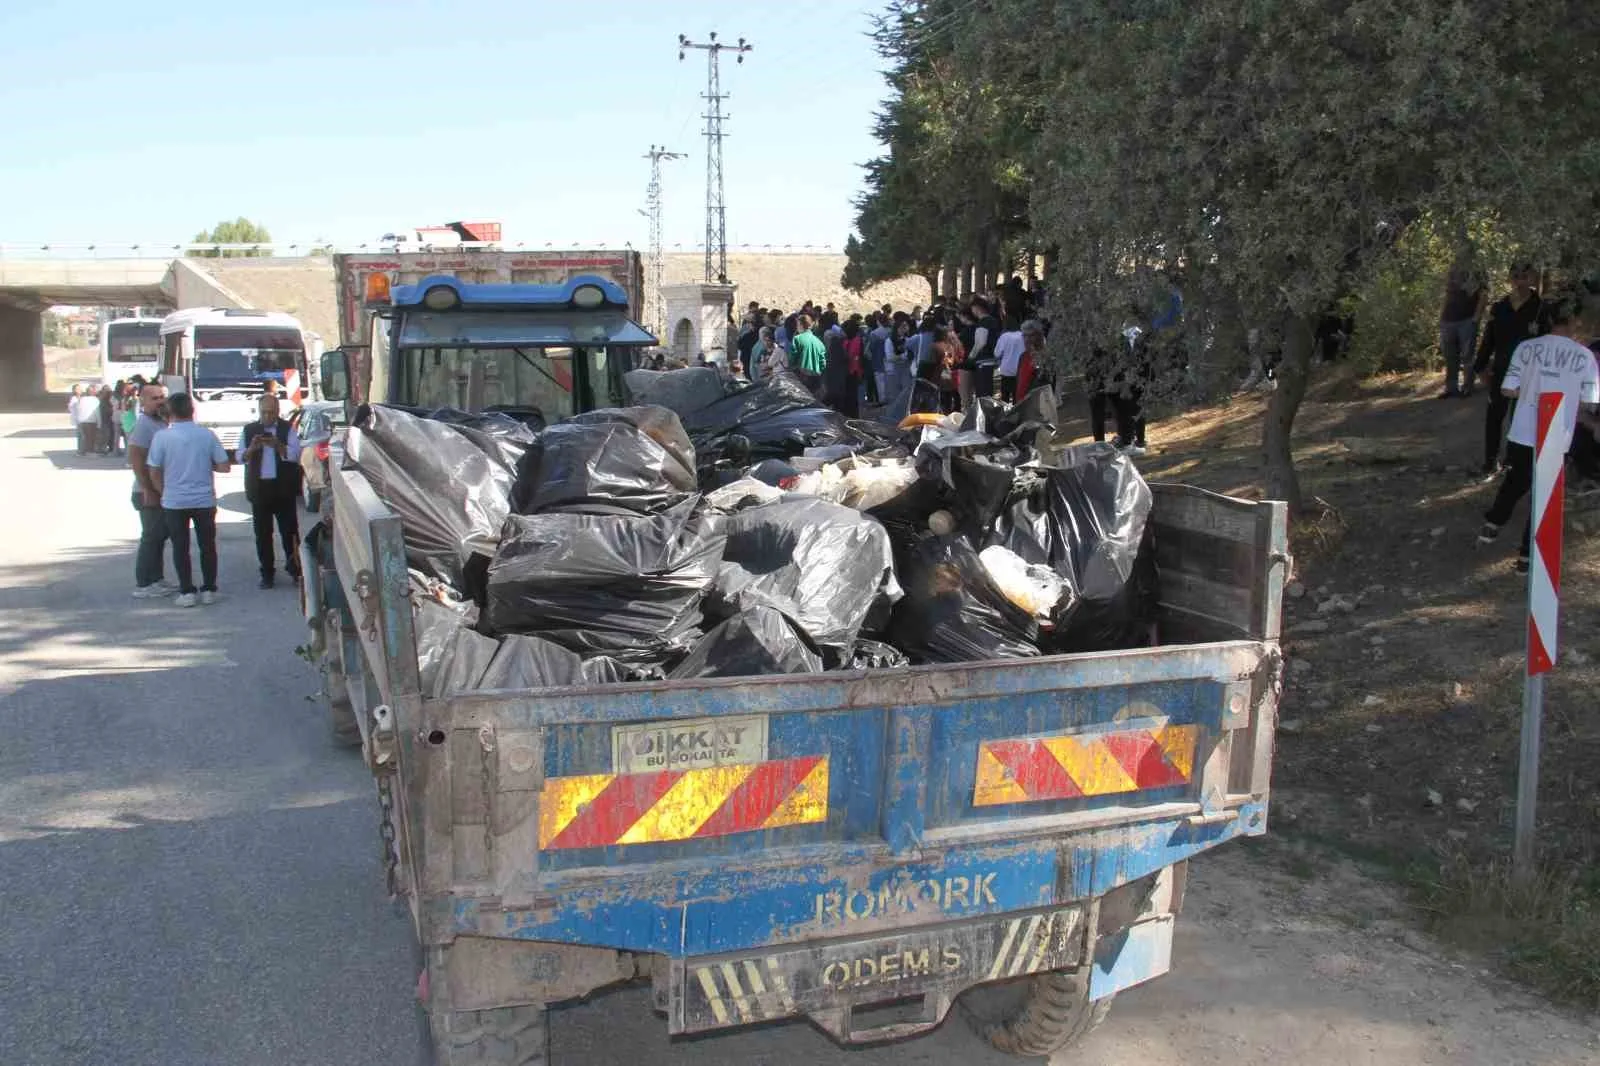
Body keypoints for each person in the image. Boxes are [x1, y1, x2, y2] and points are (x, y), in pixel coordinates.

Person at [1477, 287, 1600, 572]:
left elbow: (1508, 389)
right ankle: (1526, 558)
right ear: (1572, 323)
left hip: (1523, 429)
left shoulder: (1526, 348)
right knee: (1544, 495)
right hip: (1559, 434)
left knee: (1517, 480)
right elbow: (1592, 401)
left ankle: (1492, 523)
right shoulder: (1584, 357)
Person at [146, 392, 231, 607]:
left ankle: (187, 591)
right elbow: (224, 466)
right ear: (192, 411)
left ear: (170, 412)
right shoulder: (207, 435)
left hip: (174, 500)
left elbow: (154, 470)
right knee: (207, 546)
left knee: (180, 546)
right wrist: (205, 464)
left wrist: (163, 491)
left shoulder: (162, 437)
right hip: (203, 499)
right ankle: (210, 588)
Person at [1473, 262, 1545, 477]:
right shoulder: (1500, 306)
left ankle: (1514, 462)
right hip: (1502, 369)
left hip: (1530, 372)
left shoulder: (1541, 307)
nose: (1520, 280)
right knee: (1495, 415)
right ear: (1510, 279)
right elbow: (1489, 339)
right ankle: (1490, 461)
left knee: (1520, 418)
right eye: (1515, 275)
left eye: (1525, 275)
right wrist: (1480, 367)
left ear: (1533, 277)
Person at [238, 393, 304, 590]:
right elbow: (240, 456)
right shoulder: (249, 430)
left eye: (271, 412)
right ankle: (267, 573)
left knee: (289, 532)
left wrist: (278, 446)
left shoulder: (286, 429)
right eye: (264, 412)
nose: (267, 416)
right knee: (262, 534)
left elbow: (295, 454)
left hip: (283, 489)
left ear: (277, 411)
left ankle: (295, 570)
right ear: (259, 412)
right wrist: (252, 448)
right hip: (260, 489)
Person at [127, 383, 173, 598]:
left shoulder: (161, 422)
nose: (160, 401)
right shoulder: (144, 425)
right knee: (151, 536)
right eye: (154, 398)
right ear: (143, 402)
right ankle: (144, 583)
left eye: (162, 396)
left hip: (161, 489)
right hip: (148, 491)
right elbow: (136, 458)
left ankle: (157, 578)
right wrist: (149, 488)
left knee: (160, 536)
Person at [1440, 260, 1486, 398]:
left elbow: (1484, 294)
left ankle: (1467, 387)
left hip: (1467, 319)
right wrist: (1441, 316)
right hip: (1448, 320)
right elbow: (1447, 294)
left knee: (1467, 355)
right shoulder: (1452, 268)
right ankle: (1451, 388)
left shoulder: (1477, 268)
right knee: (1450, 356)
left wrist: (1476, 318)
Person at [788, 313, 827, 394]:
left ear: (801, 325)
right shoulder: (819, 341)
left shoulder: (797, 339)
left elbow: (792, 360)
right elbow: (823, 364)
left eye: (797, 325)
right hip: (817, 378)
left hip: (802, 377)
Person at [994, 317, 1026, 402]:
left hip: (1006, 369)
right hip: (1020, 368)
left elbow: (997, 353)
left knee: (1005, 395)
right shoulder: (1023, 335)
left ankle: (1006, 413)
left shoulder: (1004, 337)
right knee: (1018, 394)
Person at [72, 384, 102, 455]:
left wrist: (77, 420)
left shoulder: (81, 399)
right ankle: (90, 451)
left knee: (83, 437)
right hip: (91, 421)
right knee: (91, 438)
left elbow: (78, 410)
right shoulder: (95, 400)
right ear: (93, 392)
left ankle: (81, 451)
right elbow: (97, 412)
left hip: (81, 421)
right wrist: (99, 424)